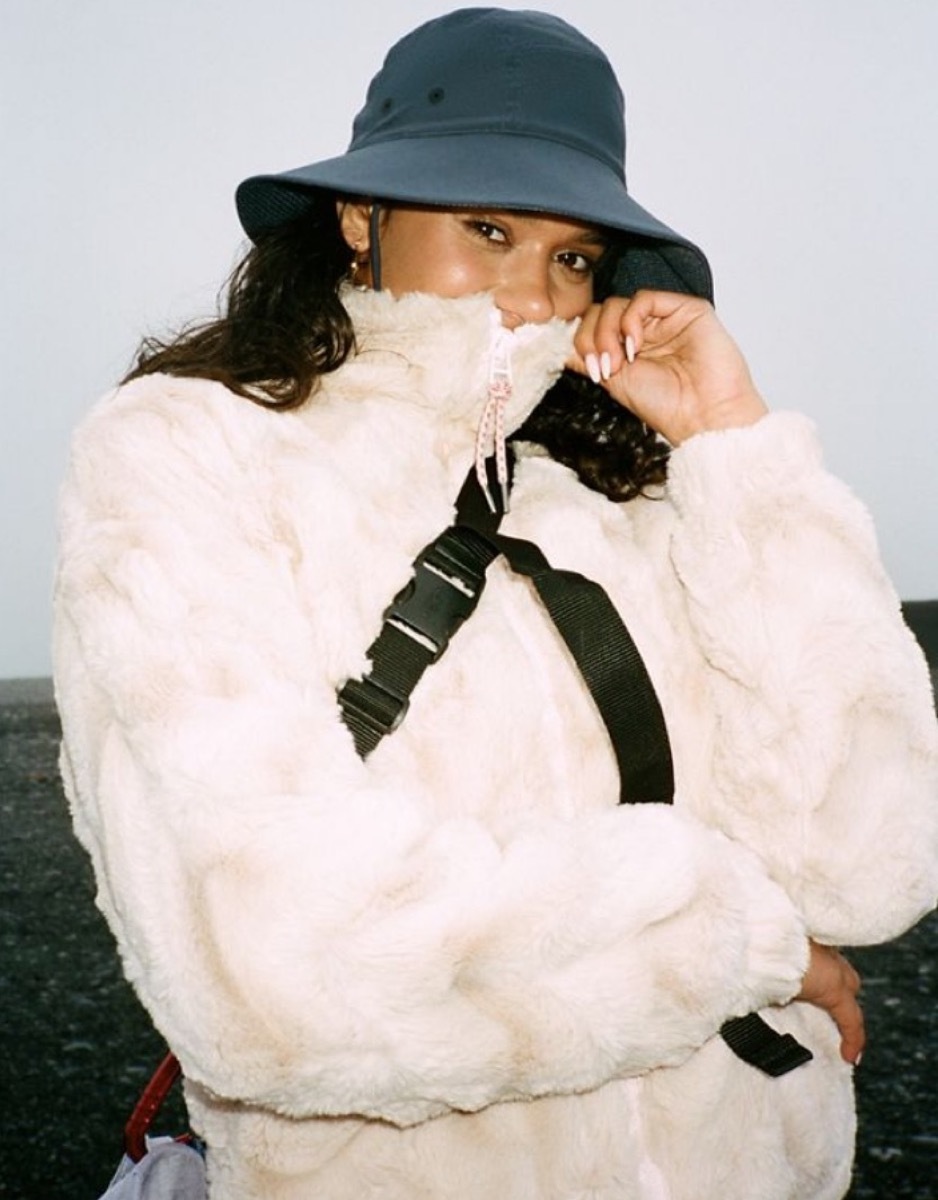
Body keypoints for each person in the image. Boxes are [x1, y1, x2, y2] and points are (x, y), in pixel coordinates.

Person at [53, 9, 938, 1200]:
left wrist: (735, 450)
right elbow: (277, 975)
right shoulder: (186, 454)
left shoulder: (612, 497)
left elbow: (868, 861)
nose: (531, 297)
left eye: (570, 257)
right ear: (359, 222)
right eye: (486, 230)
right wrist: (738, 940)